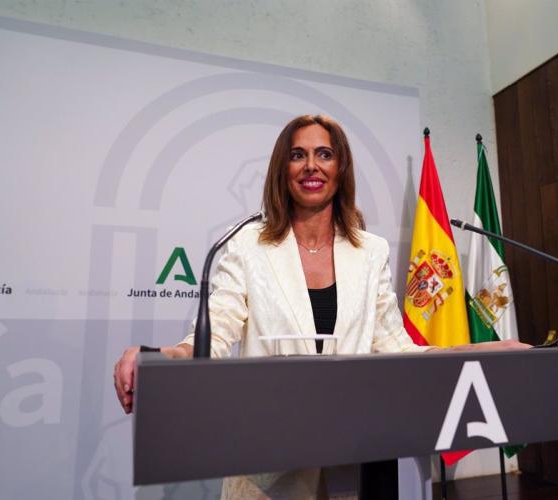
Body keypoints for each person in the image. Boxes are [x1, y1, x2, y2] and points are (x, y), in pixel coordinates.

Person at [113, 114, 529, 499]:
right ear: (282, 169)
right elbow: (213, 335)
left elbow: (399, 350)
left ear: (340, 168)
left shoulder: (370, 252)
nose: (311, 166)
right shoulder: (246, 245)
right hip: (269, 469)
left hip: (353, 467)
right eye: (298, 155)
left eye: (324, 154)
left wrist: (480, 350)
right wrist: (159, 357)